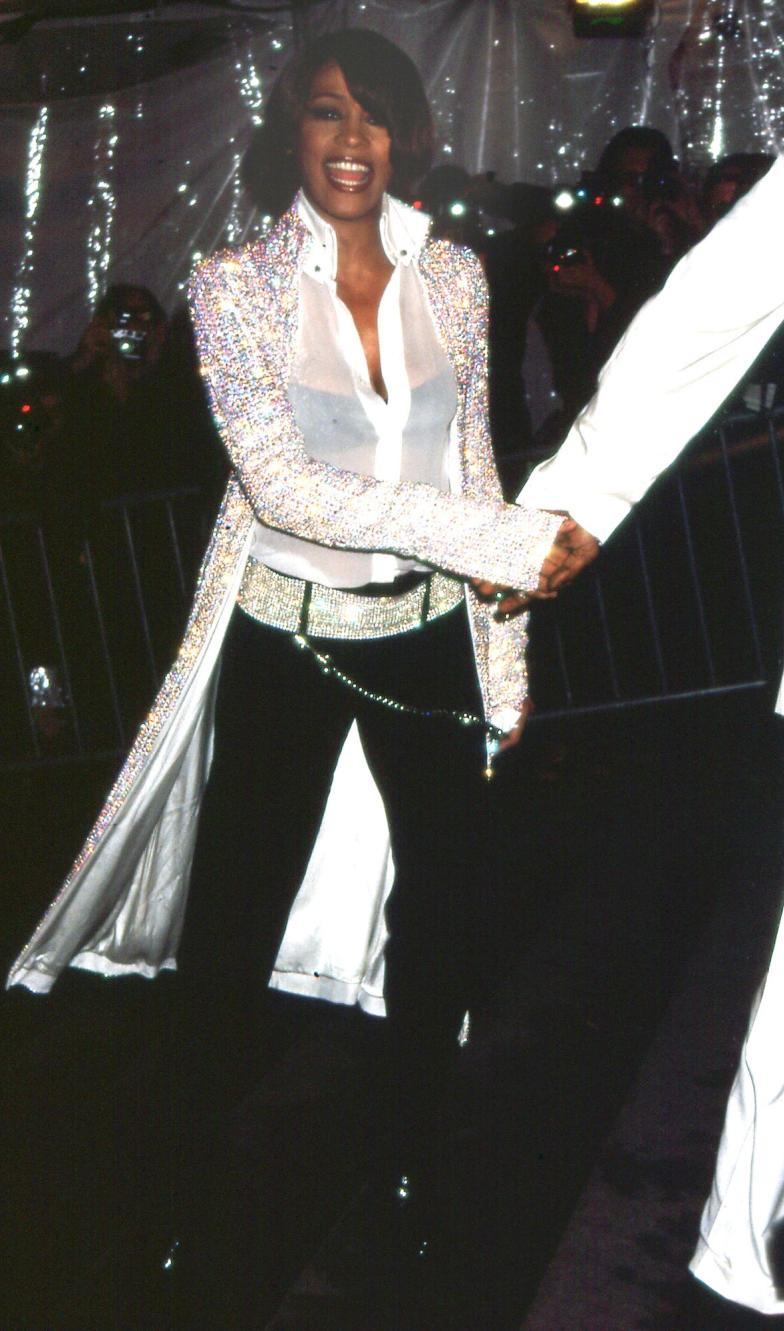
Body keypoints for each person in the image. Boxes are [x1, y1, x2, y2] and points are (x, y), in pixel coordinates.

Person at [7, 28, 571, 1328]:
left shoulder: (463, 278)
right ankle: (166, 1205)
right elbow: (287, 486)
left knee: (443, 925)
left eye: (376, 117)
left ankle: (412, 1171)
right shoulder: (232, 286)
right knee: (229, 938)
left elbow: (471, 463)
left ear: (411, 137)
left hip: (425, 637)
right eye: (328, 114)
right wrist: (508, 548)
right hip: (288, 638)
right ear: (293, 135)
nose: (354, 141)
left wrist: (506, 654)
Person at [486, 10, 784, 1327]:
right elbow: (705, 310)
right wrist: (572, 494)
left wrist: (577, 493)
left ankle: (773, 1244)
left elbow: (704, 313)